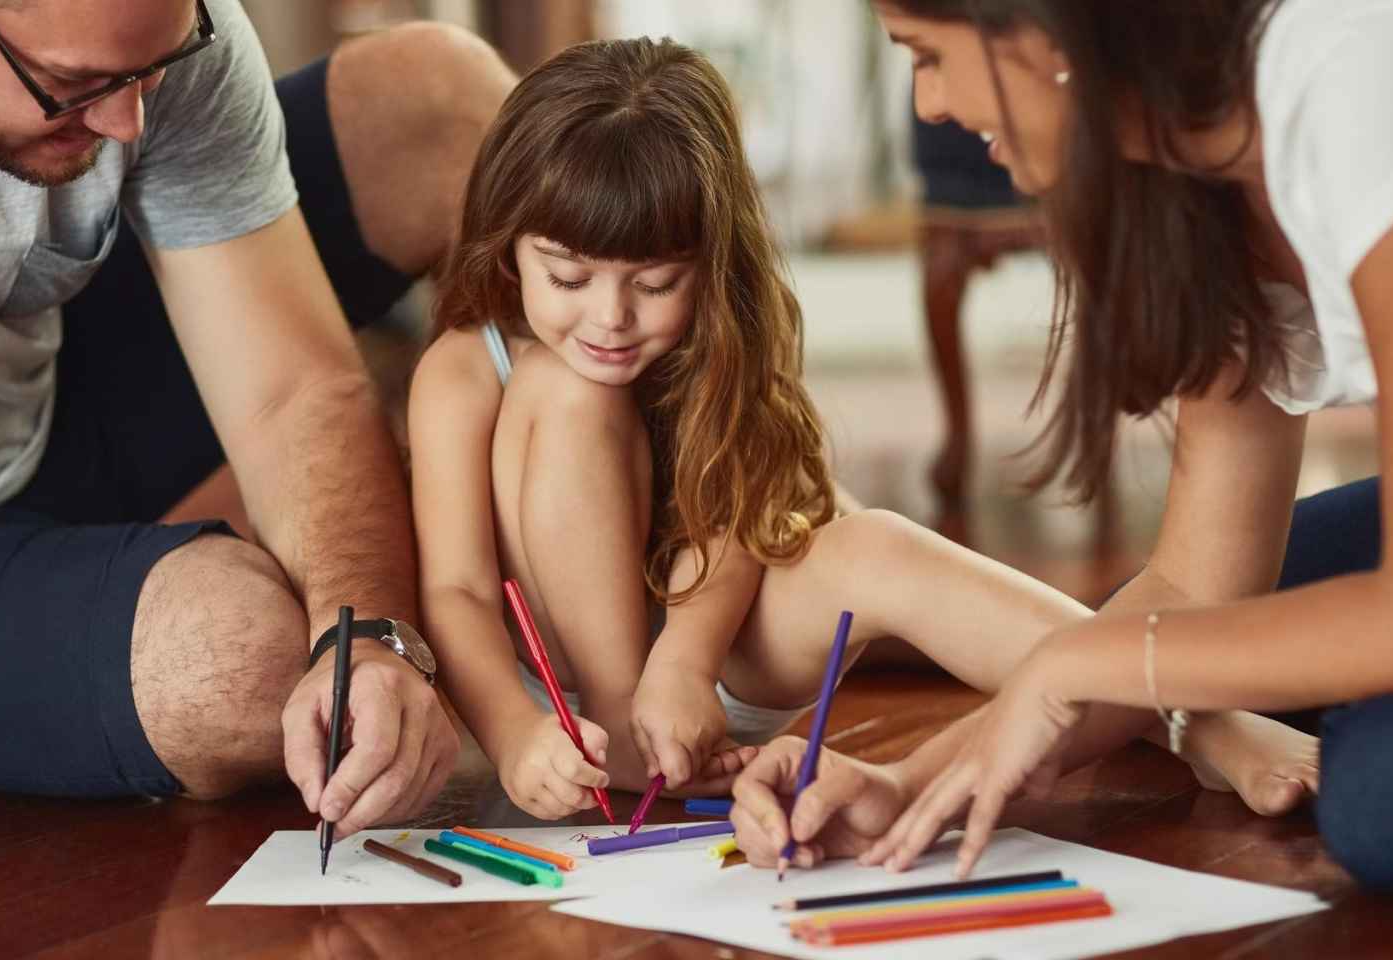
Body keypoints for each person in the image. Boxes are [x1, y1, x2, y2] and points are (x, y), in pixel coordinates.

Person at [405, 36, 1310, 823]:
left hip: (709, 656)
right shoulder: (459, 369)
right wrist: (520, 733)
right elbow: (457, 593)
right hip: (571, 708)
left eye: (654, 283)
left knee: (873, 542)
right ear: (507, 241)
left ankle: (1197, 715)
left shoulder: (722, 325)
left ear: (711, 263)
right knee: (566, 393)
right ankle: (625, 721)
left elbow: (741, 507)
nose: (610, 317)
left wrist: (682, 665)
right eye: (567, 278)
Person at [0, 0, 513, 838]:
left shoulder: (145, 40)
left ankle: (653, 596)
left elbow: (293, 392)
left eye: (149, 72)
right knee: (242, 664)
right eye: (76, 84)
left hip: (32, 408)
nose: (125, 119)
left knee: (437, 105)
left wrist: (369, 635)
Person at [730, 0, 1393, 903]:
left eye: (928, 55)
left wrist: (1081, 668)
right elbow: (1194, 589)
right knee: (1149, 640)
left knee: (1390, 798)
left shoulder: (1354, 84)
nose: (931, 106)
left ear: (1050, 32)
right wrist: (909, 786)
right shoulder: (1198, 179)